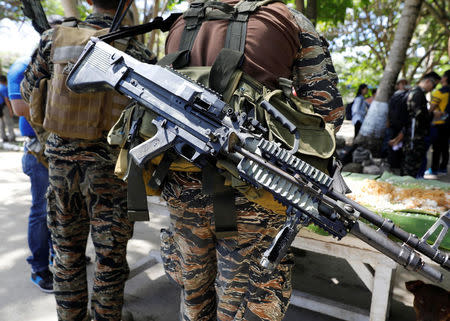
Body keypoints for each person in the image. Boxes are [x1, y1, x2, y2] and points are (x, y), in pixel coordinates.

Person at [159, 1, 344, 320]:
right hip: (255, 187)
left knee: (194, 296)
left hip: (181, 182)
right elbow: (329, 114)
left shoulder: (181, 20)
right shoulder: (289, 20)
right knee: (248, 305)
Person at [20, 0, 156, 319]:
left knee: (66, 255)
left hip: (61, 168)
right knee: (110, 259)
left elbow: (29, 92)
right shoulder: (140, 53)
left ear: (90, 1)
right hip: (111, 172)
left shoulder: (54, 39)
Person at [8, 56, 54, 293]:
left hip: (60, 149)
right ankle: (39, 268)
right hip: (38, 151)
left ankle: (58, 257)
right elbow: (19, 108)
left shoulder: (57, 65)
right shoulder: (21, 68)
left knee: (63, 209)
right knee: (41, 210)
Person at [402, 72, 441, 178]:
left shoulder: (416, 92)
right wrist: (433, 114)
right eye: (434, 85)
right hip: (414, 136)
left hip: (414, 135)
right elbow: (419, 116)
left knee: (412, 166)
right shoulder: (418, 94)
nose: (433, 89)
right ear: (428, 81)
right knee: (411, 168)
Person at [424, 69, 450, 179]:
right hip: (448, 123)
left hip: (439, 123)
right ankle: (443, 168)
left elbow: (432, 109)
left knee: (436, 148)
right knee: (445, 147)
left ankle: (433, 169)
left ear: (445, 78)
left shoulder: (440, 92)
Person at [0, 75, 16, 142]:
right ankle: (11, 137)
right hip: (4, 107)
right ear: (4, 81)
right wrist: (11, 110)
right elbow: (6, 100)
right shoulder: (4, 88)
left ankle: (3, 137)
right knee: (9, 122)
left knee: (1, 123)